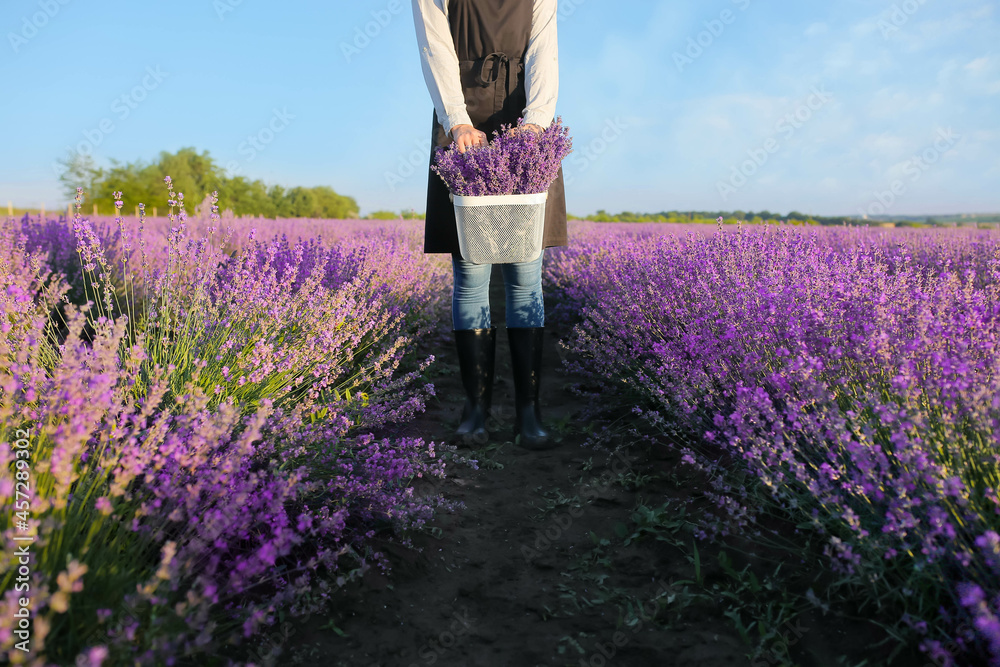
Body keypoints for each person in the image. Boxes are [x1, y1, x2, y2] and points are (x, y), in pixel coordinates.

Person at [412, 0, 567, 449]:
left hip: (525, 117)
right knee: (472, 271)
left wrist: (536, 124)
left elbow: (544, 51)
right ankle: (475, 410)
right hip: (462, 115)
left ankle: (528, 413)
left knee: (525, 275)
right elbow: (435, 49)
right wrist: (457, 120)